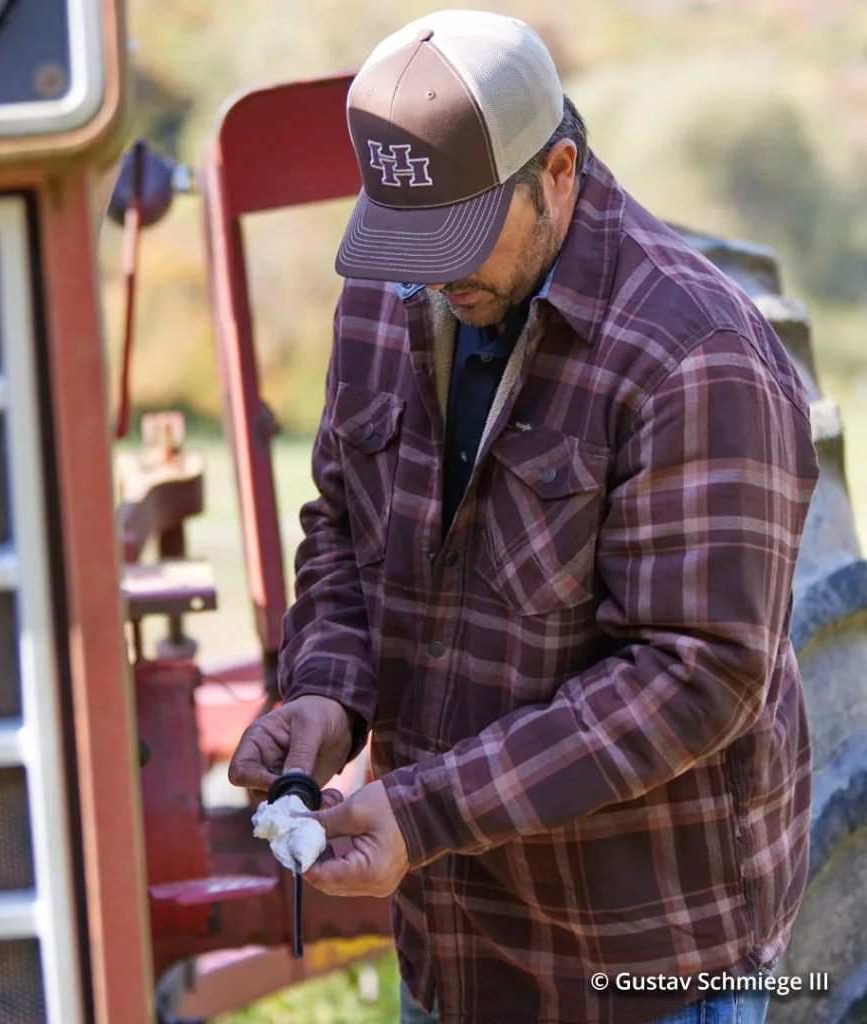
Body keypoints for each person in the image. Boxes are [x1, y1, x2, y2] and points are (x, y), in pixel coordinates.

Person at [228, 10, 820, 1024]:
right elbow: (343, 527)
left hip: (638, 972)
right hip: (451, 952)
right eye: (406, 238)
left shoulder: (694, 355)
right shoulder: (385, 297)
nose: (429, 274)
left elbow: (696, 673)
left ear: (556, 170)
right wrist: (327, 696)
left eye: (455, 237)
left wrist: (425, 811)